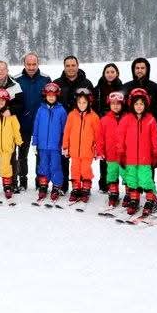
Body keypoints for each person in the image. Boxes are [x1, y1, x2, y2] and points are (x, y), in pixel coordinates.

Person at [119, 88, 157, 216]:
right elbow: (120, 138)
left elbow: (155, 139)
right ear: (132, 104)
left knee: (145, 179)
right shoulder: (126, 119)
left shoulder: (150, 120)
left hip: (145, 158)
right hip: (130, 158)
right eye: (136, 104)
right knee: (131, 179)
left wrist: (155, 154)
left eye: (141, 104)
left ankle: (151, 199)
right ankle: (134, 198)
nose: (139, 106)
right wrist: (121, 153)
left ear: (146, 104)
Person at [54, 56, 95, 185]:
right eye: (68, 65)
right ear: (64, 67)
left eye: (73, 65)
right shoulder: (57, 83)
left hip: (80, 126)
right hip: (61, 125)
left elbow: (91, 105)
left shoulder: (86, 83)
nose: (71, 68)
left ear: (77, 66)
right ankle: (63, 184)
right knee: (63, 156)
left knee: (81, 158)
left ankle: (83, 185)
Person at [14, 53, 51, 192]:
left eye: (34, 64)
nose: (31, 67)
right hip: (22, 123)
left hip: (40, 124)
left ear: (38, 63)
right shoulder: (16, 79)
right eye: (28, 64)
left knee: (40, 154)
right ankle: (22, 181)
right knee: (22, 154)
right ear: (24, 64)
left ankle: (39, 181)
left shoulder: (45, 79)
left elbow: (50, 100)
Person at [32, 82, 67, 202]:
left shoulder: (61, 110)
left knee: (56, 167)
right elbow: (36, 127)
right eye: (48, 95)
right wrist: (35, 142)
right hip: (42, 146)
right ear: (45, 96)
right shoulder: (40, 110)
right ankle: (43, 185)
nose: (51, 97)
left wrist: (64, 144)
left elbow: (64, 129)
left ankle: (56, 186)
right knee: (43, 166)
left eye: (53, 95)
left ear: (57, 96)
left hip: (56, 146)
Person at [62, 88, 98, 203]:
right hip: (74, 151)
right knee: (75, 169)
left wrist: (97, 148)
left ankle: (86, 189)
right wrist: (65, 146)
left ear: (89, 103)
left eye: (84, 102)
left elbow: (98, 134)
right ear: (76, 103)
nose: (82, 105)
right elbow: (66, 132)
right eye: (79, 102)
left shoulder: (94, 117)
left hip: (87, 151)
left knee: (85, 170)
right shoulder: (72, 115)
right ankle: (76, 189)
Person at [93, 63, 123, 192]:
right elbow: (93, 105)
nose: (110, 74)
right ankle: (104, 184)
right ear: (104, 74)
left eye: (112, 72)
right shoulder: (98, 88)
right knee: (103, 153)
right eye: (107, 72)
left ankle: (116, 184)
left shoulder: (122, 88)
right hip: (102, 122)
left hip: (118, 123)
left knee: (117, 155)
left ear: (117, 73)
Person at [95, 91, 127, 207]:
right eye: (113, 103)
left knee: (127, 175)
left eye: (118, 103)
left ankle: (129, 193)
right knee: (111, 174)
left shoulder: (127, 119)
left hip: (125, 156)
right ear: (109, 104)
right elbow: (100, 138)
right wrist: (100, 151)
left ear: (122, 104)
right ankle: (113, 192)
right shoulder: (104, 120)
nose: (116, 105)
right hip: (111, 155)